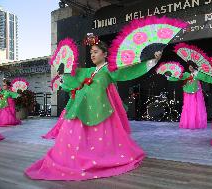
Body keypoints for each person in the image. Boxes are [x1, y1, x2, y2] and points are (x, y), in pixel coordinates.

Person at [25, 34, 162, 180]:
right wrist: (63, 70)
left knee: (103, 139)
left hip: (101, 108)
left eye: (96, 52)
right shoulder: (89, 71)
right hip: (83, 107)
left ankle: (99, 157)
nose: (92, 55)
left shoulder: (110, 68)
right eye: (91, 53)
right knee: (71, 130)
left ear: (105, 54)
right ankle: (75, 156)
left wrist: (153, 60)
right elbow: (75, 75)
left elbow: (129, 70)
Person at [167, 62, 207, 129]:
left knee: (196, 108)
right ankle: (188, 123)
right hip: (188, 93)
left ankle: (196, 123)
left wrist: (198, 72)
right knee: (188, 107)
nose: (190, 67)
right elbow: (178, 77)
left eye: (192, 66)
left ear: (195, 67)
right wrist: (169, 77)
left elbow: (205, 78)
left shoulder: (198, 74)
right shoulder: (186, 74)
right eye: (190, 66)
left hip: (196, 93)